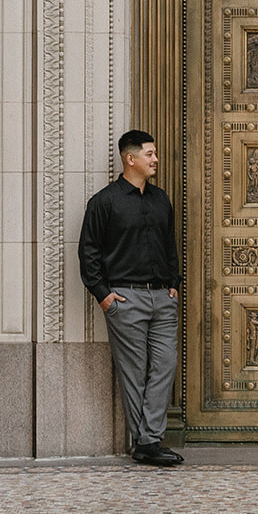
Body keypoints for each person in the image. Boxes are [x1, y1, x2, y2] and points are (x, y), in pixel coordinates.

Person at [78, 130, 184, 466]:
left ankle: (146, 440)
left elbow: (169, 246)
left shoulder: (160, 199)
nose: (155, 159)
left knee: (165, 365)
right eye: (150, 154)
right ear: (131, 158)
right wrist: (104, 296)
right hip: (125, 299)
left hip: (162, 299)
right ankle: (148, 443)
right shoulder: (104, 202)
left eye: (155, 154)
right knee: (134, 371)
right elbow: (88, 252)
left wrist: (174, 284)